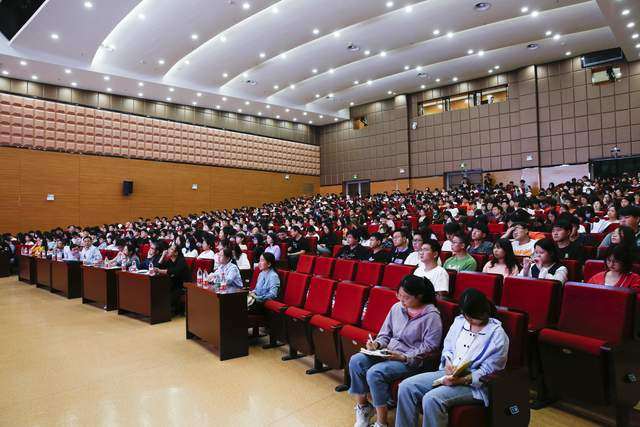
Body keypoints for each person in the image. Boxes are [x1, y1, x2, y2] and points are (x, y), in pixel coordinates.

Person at [396, 288, 509, 427]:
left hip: (474, 385)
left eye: (474, 317)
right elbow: (448, 348)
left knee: (432, 399)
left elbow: (489, 371)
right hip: (449, 374)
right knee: (406, 387)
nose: (470, 321)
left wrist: (461, 380)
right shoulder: (459, 322)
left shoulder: (497, 335)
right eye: (468, 317)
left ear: (485, 312)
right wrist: (448, 362)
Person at [349, 276, 443, 427]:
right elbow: (385, 334)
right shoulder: (397, 308)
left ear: (419, 296)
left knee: (375, 373)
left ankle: (381, 421)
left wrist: (403, 357)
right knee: (356, 361)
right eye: (399, 295)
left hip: (410, 360)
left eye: (406, 297)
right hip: (389, 353)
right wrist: (377, 344)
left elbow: (430, 348)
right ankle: (364, 408)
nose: (401, 300)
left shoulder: (432, 316)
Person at [153, 243, 189, 314]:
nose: (168, 250)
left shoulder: (181, 260)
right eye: (169, 248)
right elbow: (157, 267)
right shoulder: (170, 261)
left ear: (176, 253)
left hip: (182, 286)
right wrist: (162, 256)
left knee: (166, 300)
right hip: (172, 285)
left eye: (171, 249)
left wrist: (160, 271)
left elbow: (174, 271)